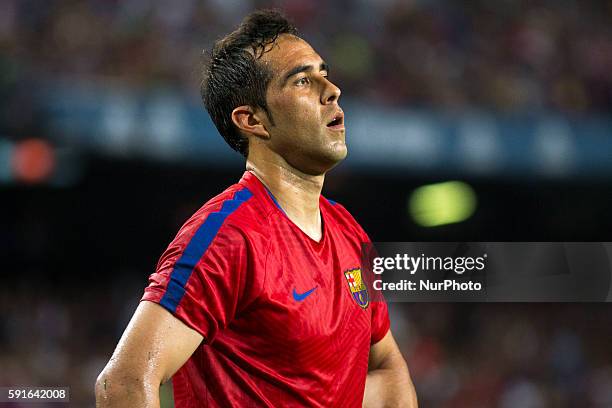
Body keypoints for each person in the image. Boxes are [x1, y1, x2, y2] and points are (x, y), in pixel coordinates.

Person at [95, 9, 417, 408]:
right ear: (252, 120)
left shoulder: (348, 231)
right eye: (302, 80)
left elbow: (384, 367)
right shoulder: (229, 236)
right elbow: (124, 381)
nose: (331, 90)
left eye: (324, 73)